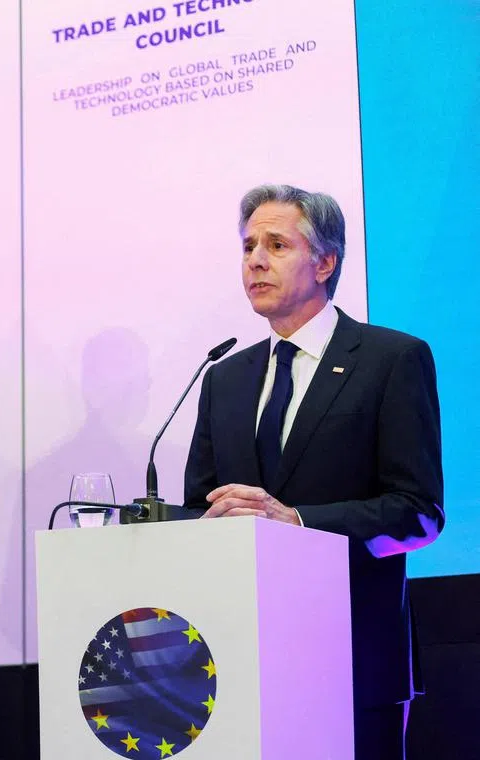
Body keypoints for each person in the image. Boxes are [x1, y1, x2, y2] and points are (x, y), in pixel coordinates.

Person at [184, 184, 444, 759]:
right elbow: (200, 507)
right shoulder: (223, 379)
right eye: (248, 245)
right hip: (238, 664)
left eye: (276, 244)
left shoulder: (391, 360)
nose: (255, 259)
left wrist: (297, 522)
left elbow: (418, 513)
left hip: (352, 655)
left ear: (325, 262)